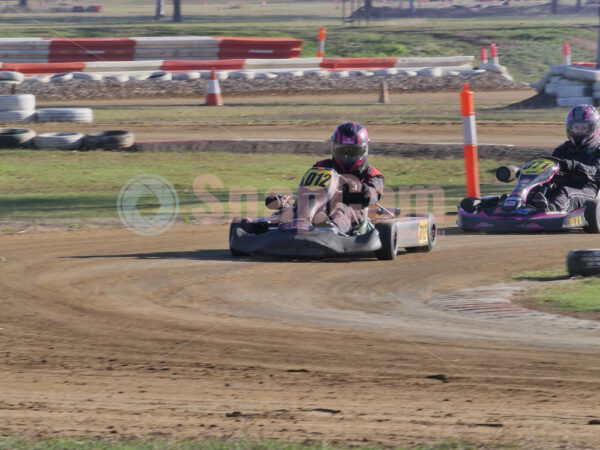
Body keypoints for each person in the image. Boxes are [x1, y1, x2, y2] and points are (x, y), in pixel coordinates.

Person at [312, 121, 384, 233]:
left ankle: (329, 231)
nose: (347, 157)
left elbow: (373, 195)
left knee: (340, 210)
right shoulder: (322, 167)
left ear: (365, 149)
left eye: (354, 152)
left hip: (352, 212)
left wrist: (356, 187)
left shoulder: (371, 174)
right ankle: (286, 226)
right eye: (341, 151)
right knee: (293, 209)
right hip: (318, 208)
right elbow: (308, 188)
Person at [532, 104, 600, 212]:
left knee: (565, 193)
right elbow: (550, 167)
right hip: (560, 187)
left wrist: (573, 165)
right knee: (536, 190)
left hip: (587, 191)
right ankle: (514, 205)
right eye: (576, 127)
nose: (579, 131)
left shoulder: (597, 150)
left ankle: (551, 210)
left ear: (593, 128)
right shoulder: (563, 149)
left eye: (583, 128)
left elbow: (596, 172)